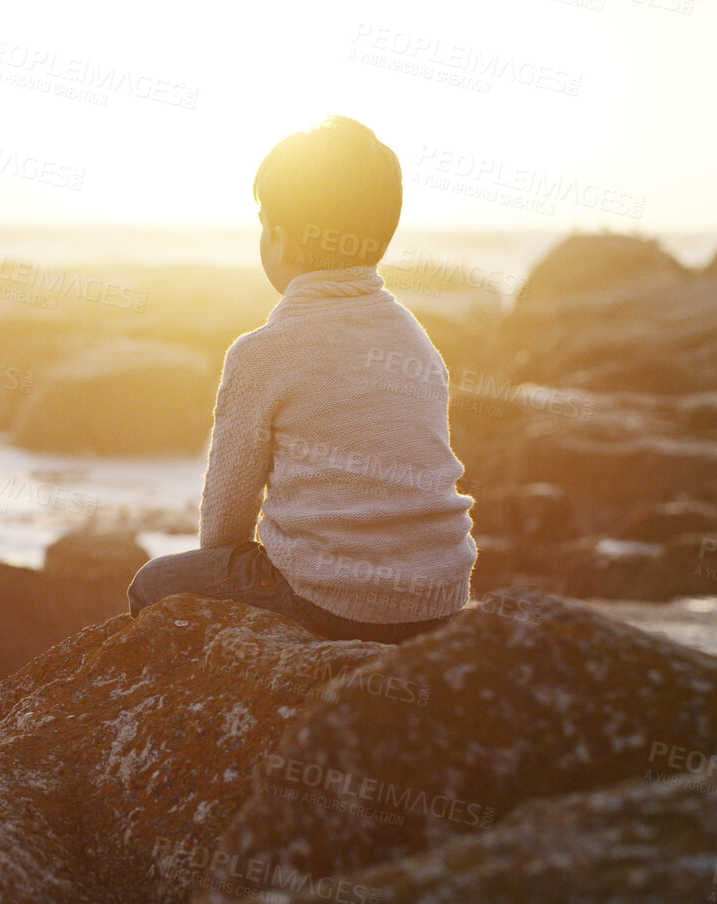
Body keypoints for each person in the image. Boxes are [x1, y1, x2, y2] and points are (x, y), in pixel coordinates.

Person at [127, 116, 475, 644]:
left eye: (264, 224)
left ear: (281, 240)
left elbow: (224, 526)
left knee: (153, 584)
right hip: (439, 601)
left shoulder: (260, 355)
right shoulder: (413, 339)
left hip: (331, 602)